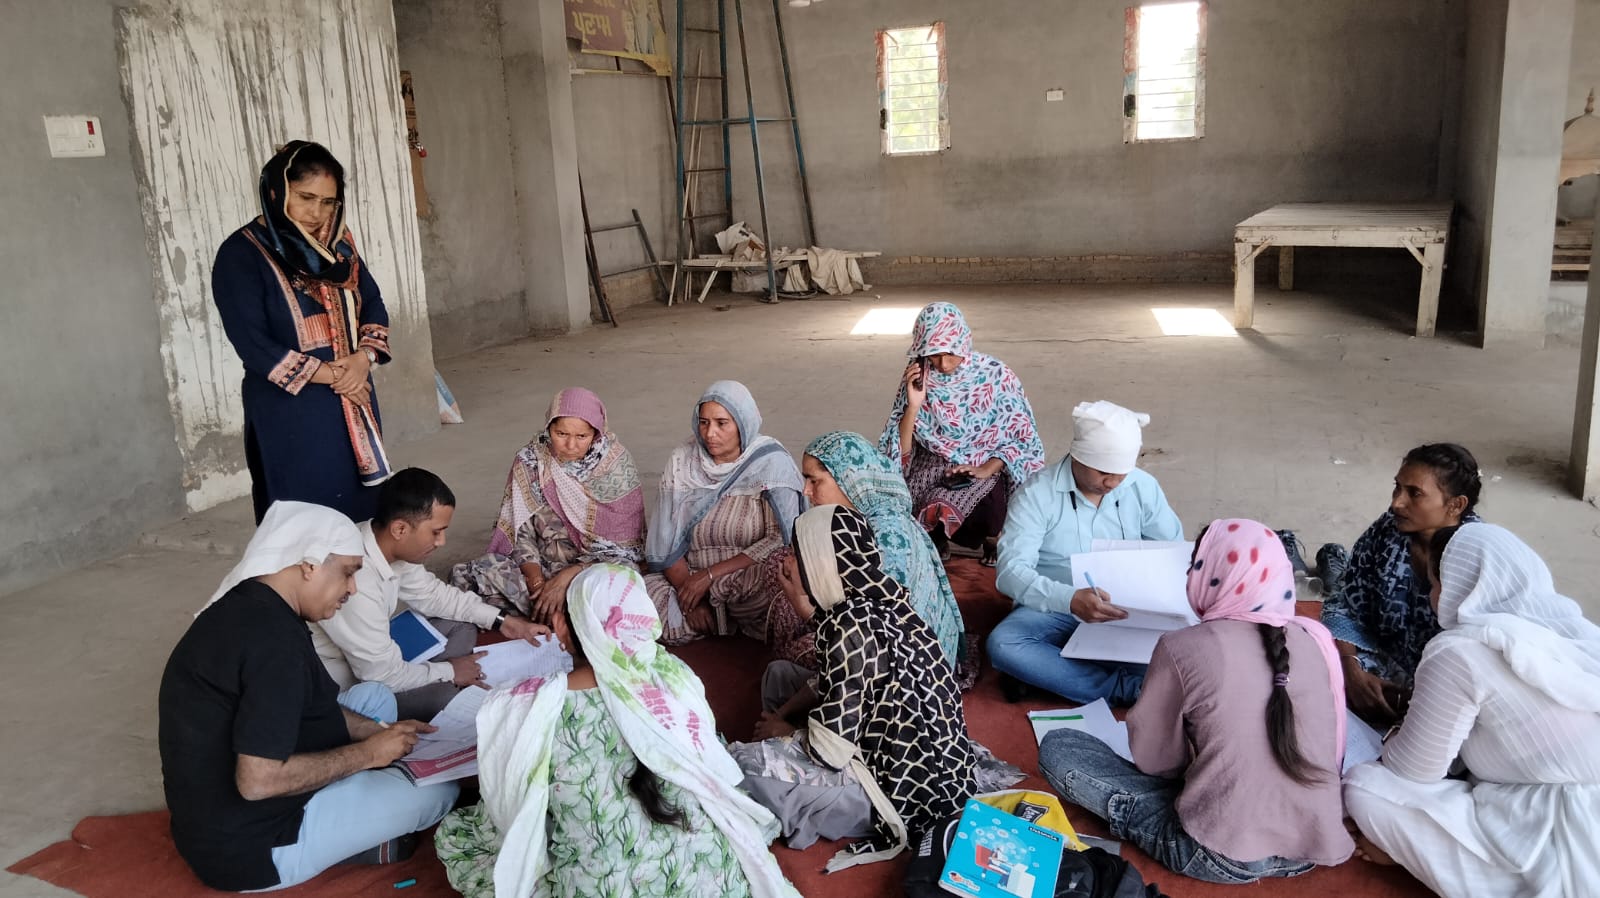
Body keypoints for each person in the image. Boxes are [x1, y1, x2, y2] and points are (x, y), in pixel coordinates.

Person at [433, 565, 801, 898]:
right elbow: (712, 762)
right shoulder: (674, 680)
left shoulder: (530, 707)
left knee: (461, 837)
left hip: (603, 886)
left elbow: (510, 807)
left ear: (562, 627)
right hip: (711, 881)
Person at [160, 501, 457, 892]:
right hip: (251, 849)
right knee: (440, 793)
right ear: (308, 566)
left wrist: (377, 732)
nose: (352, 588)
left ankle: (353, 796)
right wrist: (369, 754)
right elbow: (257, 782)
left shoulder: (256, 604)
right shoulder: (274, 644)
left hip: (212, 816)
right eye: (348, 572)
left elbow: (310, 702)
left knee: (374, 699)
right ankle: (351, 839)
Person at [1039, 519, 1352, 885]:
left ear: (1215, 575)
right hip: (1311, 846)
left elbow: (1158, 764)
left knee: (1059, 748)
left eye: (1195, 565)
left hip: (1218, 853)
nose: (1189, 575)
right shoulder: (1315, 638)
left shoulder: (1182, 646)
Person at [1345, 523, 1600, 897]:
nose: (1431, 597)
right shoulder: (1573, 631)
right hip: (1562, 796)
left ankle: (1423, 856)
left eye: (1435, 585)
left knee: (1365, 786)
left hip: (1556, 825)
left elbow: (1414, 770)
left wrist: (1399, 727)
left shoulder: (1458, 651)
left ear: (1462, 586)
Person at [739, 505, 976, 872]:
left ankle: (815, 798)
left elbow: (830, 752)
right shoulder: (885, 600)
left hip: (901, 790)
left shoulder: (849, 629)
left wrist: (783, 731)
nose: (787, 562)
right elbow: (835, 678)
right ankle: (788, 753)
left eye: (797, 555)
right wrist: (783, 716)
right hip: (914, 755)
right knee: (780, 675)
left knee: (743, 769)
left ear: (821, 564)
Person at [213, 141, 394, 524]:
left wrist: (363, 359)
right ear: (276, 191)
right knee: (304, 517)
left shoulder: (338, 247)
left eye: (328, 202)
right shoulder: (241, 254)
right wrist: (337, 376)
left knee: (362, 513)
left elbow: (372, 302)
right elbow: (253, 344)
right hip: (291, 410)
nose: (317, 212)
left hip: (354, 394)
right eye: (305, 197)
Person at [312, 468, 550, 721]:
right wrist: (450, 671)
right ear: (400, 529)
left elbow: (434, 595)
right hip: (356, 682)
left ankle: (451, 679)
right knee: (444, 697)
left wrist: (504, 621)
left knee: (462, 626)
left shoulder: (388, 547)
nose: (441, 541)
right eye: (436, 532)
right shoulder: (355, 580)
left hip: (380, 648)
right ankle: (452, 684)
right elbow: (381, 675)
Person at [989, 400, 1183, 705]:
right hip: (1054, 607)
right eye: (1104, 472)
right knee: (1005, 645)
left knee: (1186, 654)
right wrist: (1069, 599)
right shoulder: (1036, 494)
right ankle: (1126, 689)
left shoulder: (1141, 487)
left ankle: (1055, 674)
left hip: (1127, 609)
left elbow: (1171, 551)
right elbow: (1010, 572)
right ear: (1078, 455)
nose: (1113, 482)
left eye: (1122, 473)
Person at [1319, 442, 1482, 726]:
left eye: (1414, 493)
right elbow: (1346, 603)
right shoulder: (1388, 530)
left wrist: (1423, 701)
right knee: (1307, 667)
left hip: (1448, 685)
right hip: (1382, 659)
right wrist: (1351, 670)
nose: (1397, 502)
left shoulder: (1477, 556)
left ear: (1456, 505)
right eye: (1397, 487)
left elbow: (1481, 657)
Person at [450, 387, 646, 618]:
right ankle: (564, 616)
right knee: (474, 574)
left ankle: (556, 614)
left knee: (623, 581)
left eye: (581, 436)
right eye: (561, 433)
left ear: (596, 433)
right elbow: (519, 532)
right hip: (540, 567)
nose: (570, 445)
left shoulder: (615, 466)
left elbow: (623, 550)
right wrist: (537, 584)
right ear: (548, 427)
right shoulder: (532, 460)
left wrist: (566, 579)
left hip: (591, 572)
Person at [877, 302, 1044, 563]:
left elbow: (1021, 439)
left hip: (984, 462)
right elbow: (900, 450)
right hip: (931, 463)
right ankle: (937, 538)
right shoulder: (918, 377)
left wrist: (987, 468)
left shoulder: (995, 375)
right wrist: (913, 405)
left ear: (963, 342)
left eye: (950, 353)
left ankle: (992, 539)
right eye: (934, 355)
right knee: (918, 500)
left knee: (988, 506)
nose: (943, 364)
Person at [644, 380, 803, 650]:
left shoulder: (771, 463)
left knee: (782, 581)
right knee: (635, 598)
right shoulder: (683, 461)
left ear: (743, 423)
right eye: (704, 422)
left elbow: (780, 539)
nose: (710, 433)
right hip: (689, 576)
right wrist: (689, 594)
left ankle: (729, 619)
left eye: (722, 423)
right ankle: (715, 618)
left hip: (746, 577)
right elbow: (665, 539)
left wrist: (709, 577)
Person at [799, 430, 963, 666]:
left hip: (912, 667)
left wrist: (804, 608)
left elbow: (877, 631)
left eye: (814, 480)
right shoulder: (870, 515)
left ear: (847, 477)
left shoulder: (887, 535)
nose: (806, 491)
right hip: (901, 648)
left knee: (798, 648)